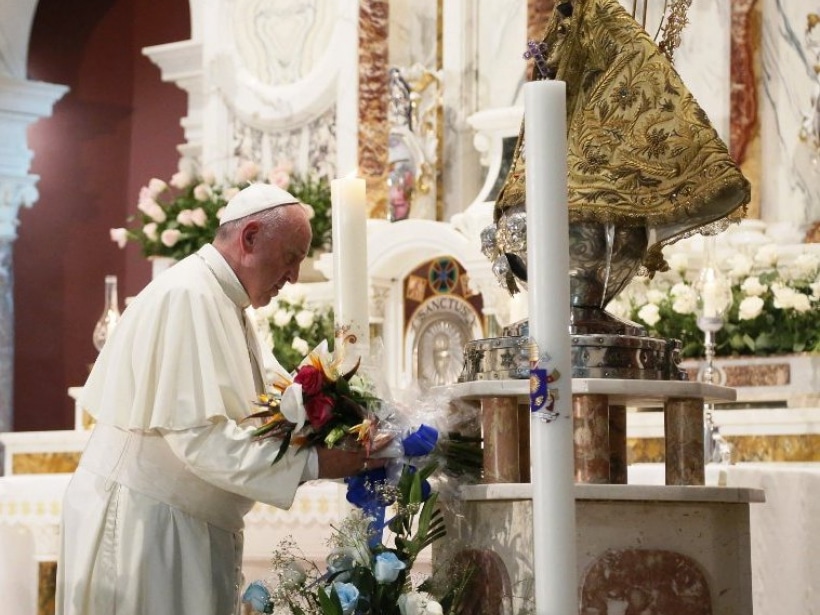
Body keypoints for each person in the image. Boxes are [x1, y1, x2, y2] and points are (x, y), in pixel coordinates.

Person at [56, 182, 389, 615]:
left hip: (183, 523)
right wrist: (318, 463)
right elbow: (201, 439)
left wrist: (346, 420)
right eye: (291, 258)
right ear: (250, 237)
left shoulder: (226, 302)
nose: (292, 276)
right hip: (146, 529)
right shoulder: (187, 295)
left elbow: (277, 399)